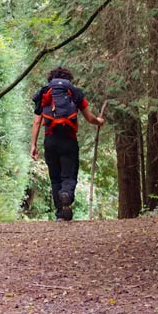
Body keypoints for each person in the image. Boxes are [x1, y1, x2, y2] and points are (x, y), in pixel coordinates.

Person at [30, 66, 104, 221]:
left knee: (55, 177)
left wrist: (33, 145)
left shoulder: (45, 92)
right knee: (69, 175)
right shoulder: (74, 92)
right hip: (69, 139)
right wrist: (99, 121)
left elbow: (37, 122)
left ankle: (60, 214)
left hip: (50, 140)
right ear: (68, 79)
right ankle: (66, 195)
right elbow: (89, 117)